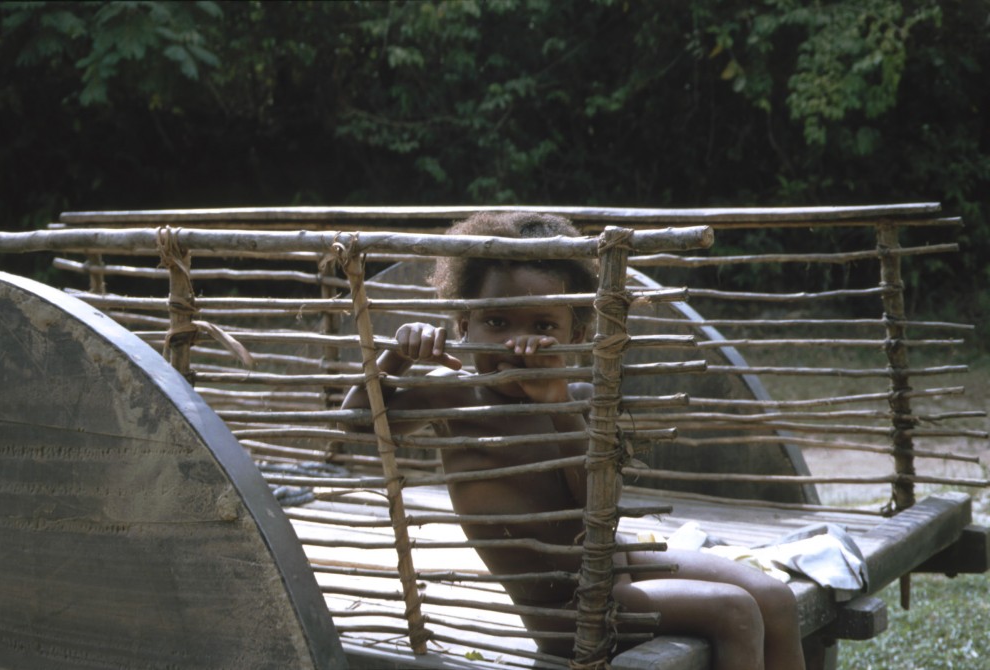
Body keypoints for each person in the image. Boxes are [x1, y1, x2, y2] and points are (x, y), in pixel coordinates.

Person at [341, 211, 805, 670]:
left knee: (774, 597)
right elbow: (357, 423)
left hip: (620, 558)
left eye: (543, 327)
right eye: (497, 322)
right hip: (568, 608)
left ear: (576, 334)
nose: (517, 344)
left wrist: (556, 404)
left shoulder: (580, 398)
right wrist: (397, 356)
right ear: (463, 323)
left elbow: (596, 507)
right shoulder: (449, 394)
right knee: (735, 612)